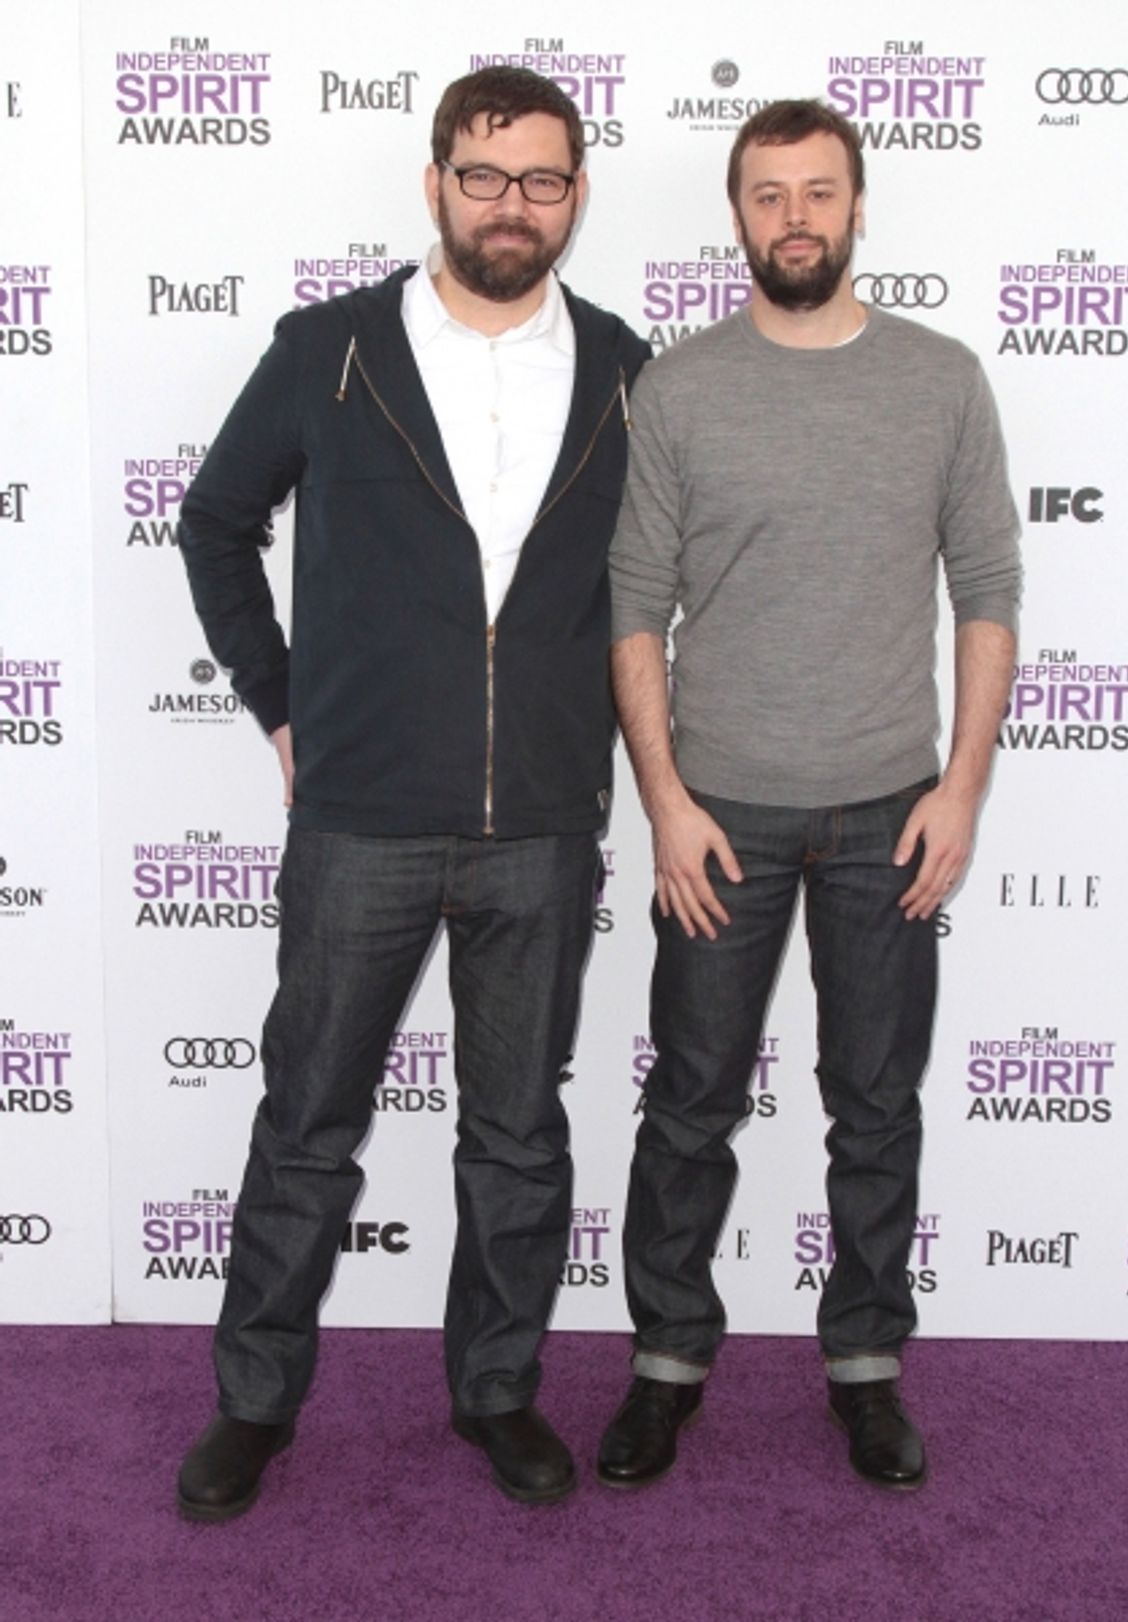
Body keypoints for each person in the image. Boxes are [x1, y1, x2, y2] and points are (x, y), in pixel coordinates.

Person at [175, 65, 651, 1520]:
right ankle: (255, 1403)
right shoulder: (329, 348)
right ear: (436, 182)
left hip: (542, 825)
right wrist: (280, 704)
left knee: (518, 1136)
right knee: (308, 1122)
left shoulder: (623, 365)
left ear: (577, 196)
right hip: (361, 818)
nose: (513, 204)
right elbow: (214, 521)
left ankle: (497, 1390)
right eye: (485, 174)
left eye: (542, 179)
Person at [597, 99, 1021, 1492]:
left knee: (876, 1104)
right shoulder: (680, 388)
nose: (795, 218)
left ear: (857, 207)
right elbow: (634, 606)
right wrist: (665, 800)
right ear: (737, 215)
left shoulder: (942, 379)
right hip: (719, 815)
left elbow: (988, 591)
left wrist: (963, 788)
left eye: (818, 192)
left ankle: (867, 1364)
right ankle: (667, 1361)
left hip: (892, 811)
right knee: (692, 1101)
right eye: (769, 194)